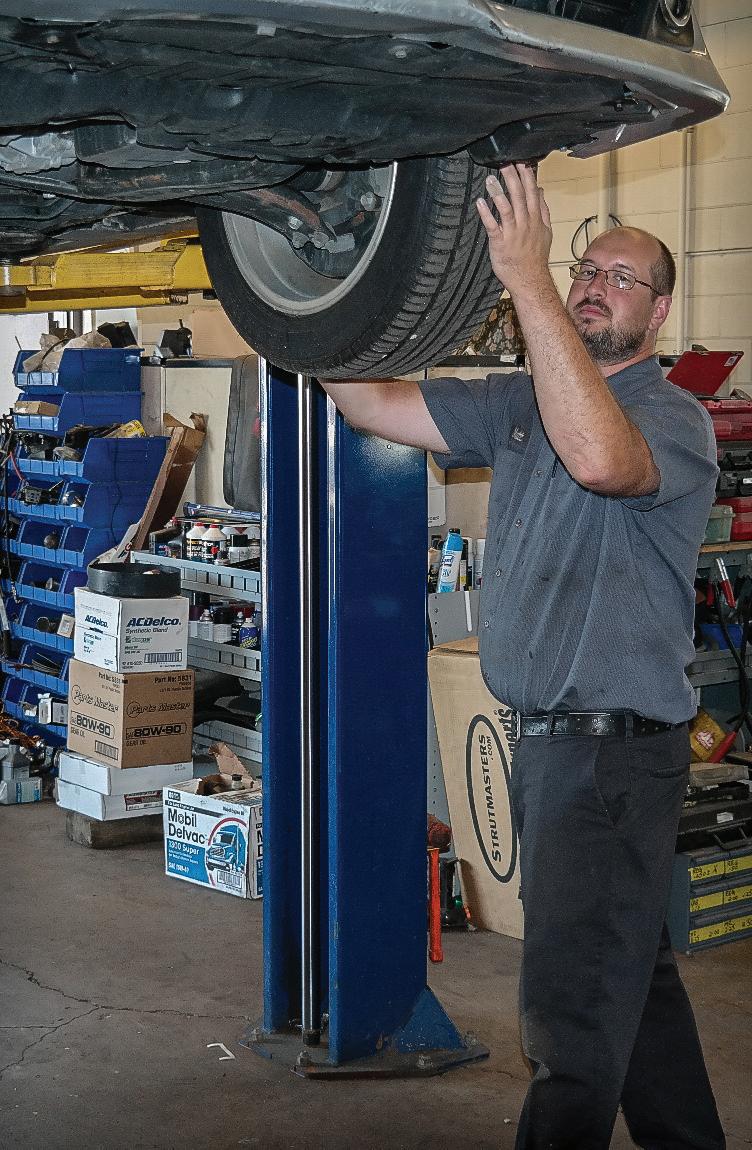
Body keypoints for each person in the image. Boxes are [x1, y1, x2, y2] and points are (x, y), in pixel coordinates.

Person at [320, 164, 726, 1150]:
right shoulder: (515, 400)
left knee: (569, 1017)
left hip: (612, 756)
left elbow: (599, 458)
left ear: (659, 312)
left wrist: (528, 280)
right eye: (584, 269)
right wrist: (319, 284)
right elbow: (368, 403)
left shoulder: (673, 418)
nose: (592, 284)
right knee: (629, 982)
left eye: (620, 277)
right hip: (554, 747)